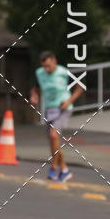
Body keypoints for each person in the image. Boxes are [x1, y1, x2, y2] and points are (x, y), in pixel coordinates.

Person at [29, 50, 84, 182]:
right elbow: (35, 88)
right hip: (50, 110)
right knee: (53, 141)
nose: (46, 69)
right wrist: (34, 95)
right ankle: (64, 170)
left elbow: (79, 88)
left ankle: (54, 167)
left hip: (63, 108)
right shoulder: (39, 73)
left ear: (55, 62)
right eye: (44, 66)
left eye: (48, 66)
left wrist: (69, 101)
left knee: (54, 135)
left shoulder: (64, 72)